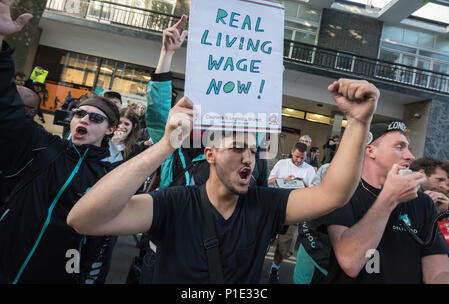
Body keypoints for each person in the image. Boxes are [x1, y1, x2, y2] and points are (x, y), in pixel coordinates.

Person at [67, 59, 381, 285]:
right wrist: (166, 144)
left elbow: (334, 193)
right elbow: (85, 219)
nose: (248, 157)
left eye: (254, 150)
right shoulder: (174, 202)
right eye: (236, 148)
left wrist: (357, 122)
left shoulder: (265, 205)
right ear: (210, 154)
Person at [0, 0, 122, 283]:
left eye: (96, 118)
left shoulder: (109, 178)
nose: (84, 120)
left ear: (110, 130)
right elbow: (6, 104)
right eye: (80, 113)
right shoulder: (41, 145)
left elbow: (97, 246)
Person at [314, 121, 449, 283]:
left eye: (409, 148)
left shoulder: (423, 202)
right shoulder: (343, 193)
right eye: (399, 147)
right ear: (370, 150)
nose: (410, 156)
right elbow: (350, 262)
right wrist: (389, 198)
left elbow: (437, 268)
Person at [268, 141, 316, 283]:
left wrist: (304, 184)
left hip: (295, 212)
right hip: (276, 208)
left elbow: (314, 191)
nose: (299, 160)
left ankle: (274, 269)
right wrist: (282, 180)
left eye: (302, 158)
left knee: (284, 246)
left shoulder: (309, 170)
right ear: (291, 152)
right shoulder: (281, 163)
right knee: (265, 239)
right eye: (296, 157)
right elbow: (268, 181)